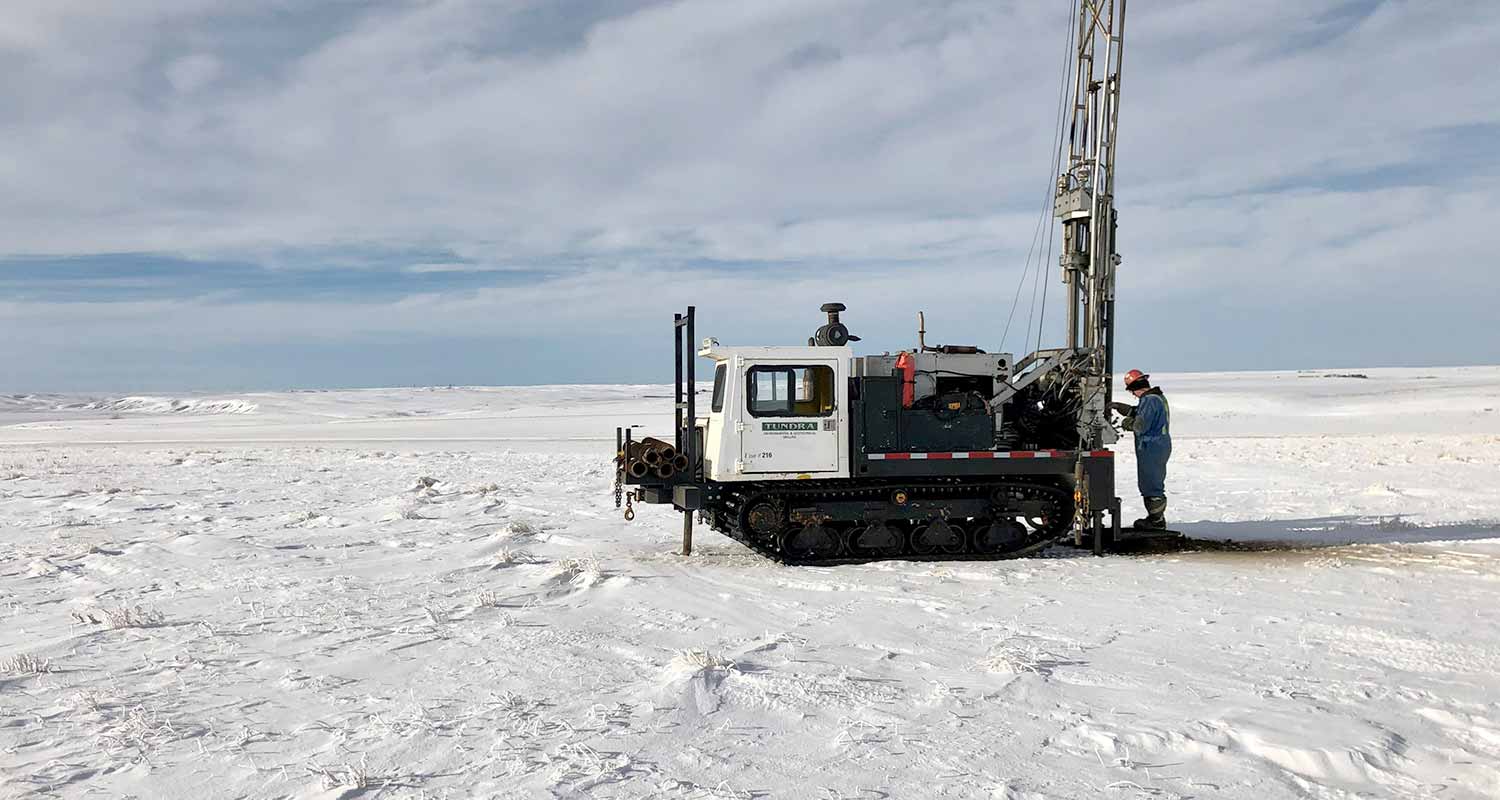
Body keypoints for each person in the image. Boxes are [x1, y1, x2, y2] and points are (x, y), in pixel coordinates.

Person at [1109, 369, 1171, 530]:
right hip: (1154, 445)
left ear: (1136, 388)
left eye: (1132, 392)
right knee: (1150, 481)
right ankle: (1156, 519)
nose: (1133, 396)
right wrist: (1119, 407)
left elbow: (1140, 425)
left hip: (1152, 446)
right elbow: (1138, 412)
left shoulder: (1150, 400)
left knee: (1151, 483)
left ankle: (1156, 521)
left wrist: (1126, 423)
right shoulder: (1154, 398)